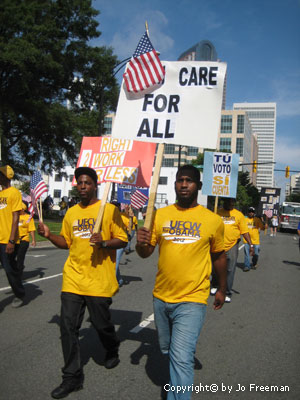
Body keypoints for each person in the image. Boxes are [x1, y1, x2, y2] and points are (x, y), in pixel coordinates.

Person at [136, 165, 227, 400]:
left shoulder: (212, 220)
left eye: (189, 180)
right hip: (161, 298)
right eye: (180, 180)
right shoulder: (161, 215)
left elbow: (219, 256)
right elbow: (145, 253)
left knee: (181, 357)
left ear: (199, 186)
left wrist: (222, 288)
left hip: (193, 300)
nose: (184, 184)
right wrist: (140, 243)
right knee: (168, 350)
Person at [38, 167, 128, 399]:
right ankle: (71, 377)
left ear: (95, 185)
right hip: (73, 278)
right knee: (67, 327)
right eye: (79, 183)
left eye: (87, 183)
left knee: (101, 325)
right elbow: (66, 242)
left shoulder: (108, 210)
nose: (83, 186)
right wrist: (49, 235)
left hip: (99, 280)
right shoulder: (71, 213)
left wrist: (105, 243)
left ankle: (111, 347)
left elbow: (123, 239)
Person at [211, 197, 254, 303]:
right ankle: (215, 284)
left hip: (232, 245)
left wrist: (251, 245)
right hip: (217, 245)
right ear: (223, 202)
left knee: (230, 269)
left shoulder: (238, 215)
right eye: (227, 201)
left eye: (232, 202)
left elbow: (244, 231)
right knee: (215, 267)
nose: (230, 203)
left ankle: (227, 292)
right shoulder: (217, 213)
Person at [0, 165, 24, 308]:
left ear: (6, 177)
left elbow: (16, 217)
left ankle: (19, 293)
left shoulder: (14, 193)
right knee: (11, 268)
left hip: (7, 239)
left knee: (9, 269)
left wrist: (11, 240)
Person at [243, 207, 266, 271]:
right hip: (247, 240)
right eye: (250, 211)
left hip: (255, 240)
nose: (251, 213)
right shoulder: (245, 220)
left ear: (254, 213)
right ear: (248, 212)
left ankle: (254, 263)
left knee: (256, 254)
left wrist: (264, 225)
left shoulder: (257, 220)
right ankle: (247, 266)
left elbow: (262, 228)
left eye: (252, 212)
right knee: (247, 253)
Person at [17, 202, 36, 271]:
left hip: (24, 239)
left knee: (20, 257)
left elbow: (31, 229)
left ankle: (19, 272)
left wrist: (33, 240)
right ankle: (18, 268)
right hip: (15, 240)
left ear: (23, 209)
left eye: (19, 209)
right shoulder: (14, 216)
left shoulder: (28, 218)